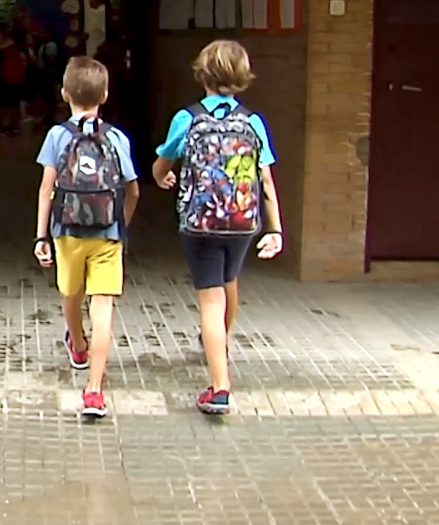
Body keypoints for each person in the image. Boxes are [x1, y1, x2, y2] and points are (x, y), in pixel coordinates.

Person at [151, 40, 285, 414]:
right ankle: (219, 346)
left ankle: (220, 387)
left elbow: (161, 165)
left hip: (200, 222)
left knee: (210, 298)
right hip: (243, 221)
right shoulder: (253, 122)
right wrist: (274, 229)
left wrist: (163, 177)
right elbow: (266, 180)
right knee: (230, 283)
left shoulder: (187, 118)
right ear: (243, 78)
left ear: (202, 74)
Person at [33, 57, 140, 417]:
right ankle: (94, 390)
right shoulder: (117, 138)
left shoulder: (57, 136)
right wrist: (120, 224)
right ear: (105, 95)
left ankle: (77, 344)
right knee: (103, 305)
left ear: (64, 94)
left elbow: (47, 188)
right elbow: (133, 190)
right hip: (107, 233)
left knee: (70, 291)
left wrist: (41, 236)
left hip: (67, 231)